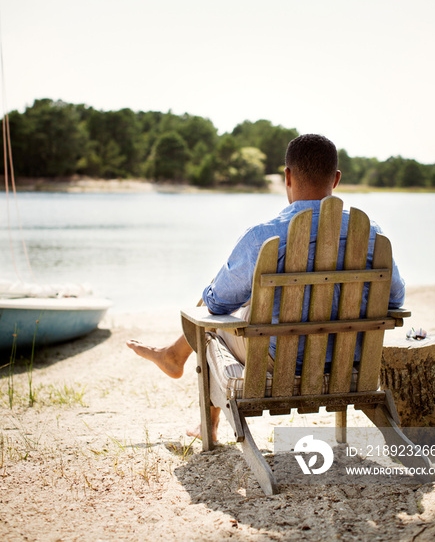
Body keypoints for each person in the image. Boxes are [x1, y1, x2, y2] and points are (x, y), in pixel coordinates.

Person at [127, 134, 405, 441]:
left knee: (210, 323)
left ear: (286, 176)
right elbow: (395, 299)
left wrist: (218, 293)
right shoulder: (367, 232)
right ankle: (173, 357)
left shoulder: (263, 236)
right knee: (235, 308)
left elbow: (218, 305)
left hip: (280, 361)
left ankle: (193, 392)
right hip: (349, 356)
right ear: (336, 179)